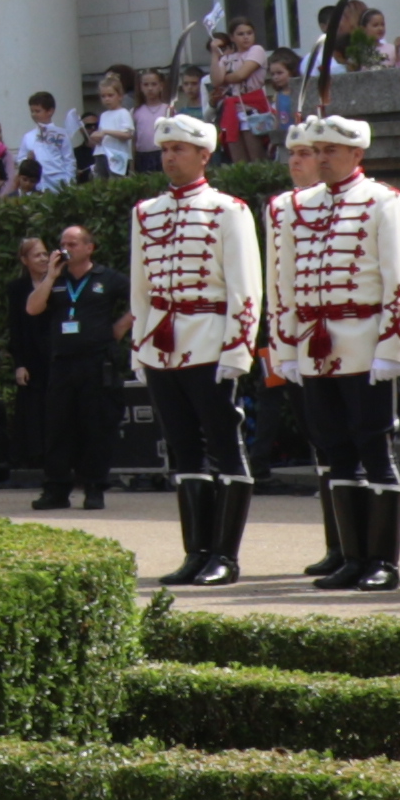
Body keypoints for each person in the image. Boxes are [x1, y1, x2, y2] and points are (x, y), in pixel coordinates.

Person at [263, 113, 400, 589]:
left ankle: (383, 562)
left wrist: (394, 344)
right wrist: (287, 346)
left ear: (357, 154)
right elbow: (284, 282)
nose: (323, 158)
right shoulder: (296, 207)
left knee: (374, 447)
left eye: (332, 150)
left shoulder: (383, 202)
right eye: (319, 150)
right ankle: (351, 556)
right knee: (334, 449)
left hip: (364, 343)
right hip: (314, 346)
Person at [122, 116, 258, 582]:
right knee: (183, 451)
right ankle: (196, 552)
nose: (169, 157)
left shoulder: (228, 210)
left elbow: (245, 287)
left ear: (205, 155)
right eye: (165, 149)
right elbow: (141, 289)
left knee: (224, 445)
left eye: (180, 149)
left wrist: (237, 351)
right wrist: (140, 348)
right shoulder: (146, 212)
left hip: (209, 341)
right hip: (162, 345)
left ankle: (226, 555)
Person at [14, 213, 126, 519]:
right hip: (62, 363)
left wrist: (119, 328)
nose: (66, 249)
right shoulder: (57, 281)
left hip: (96, 362)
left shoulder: (108, 278)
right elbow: (32, 308)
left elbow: (140, 301)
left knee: (94, 425)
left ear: (89, 247)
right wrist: (49, 276)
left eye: (72, 244)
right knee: (59, 427)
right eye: (62, 244)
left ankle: (94, 488)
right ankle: (57, 489)